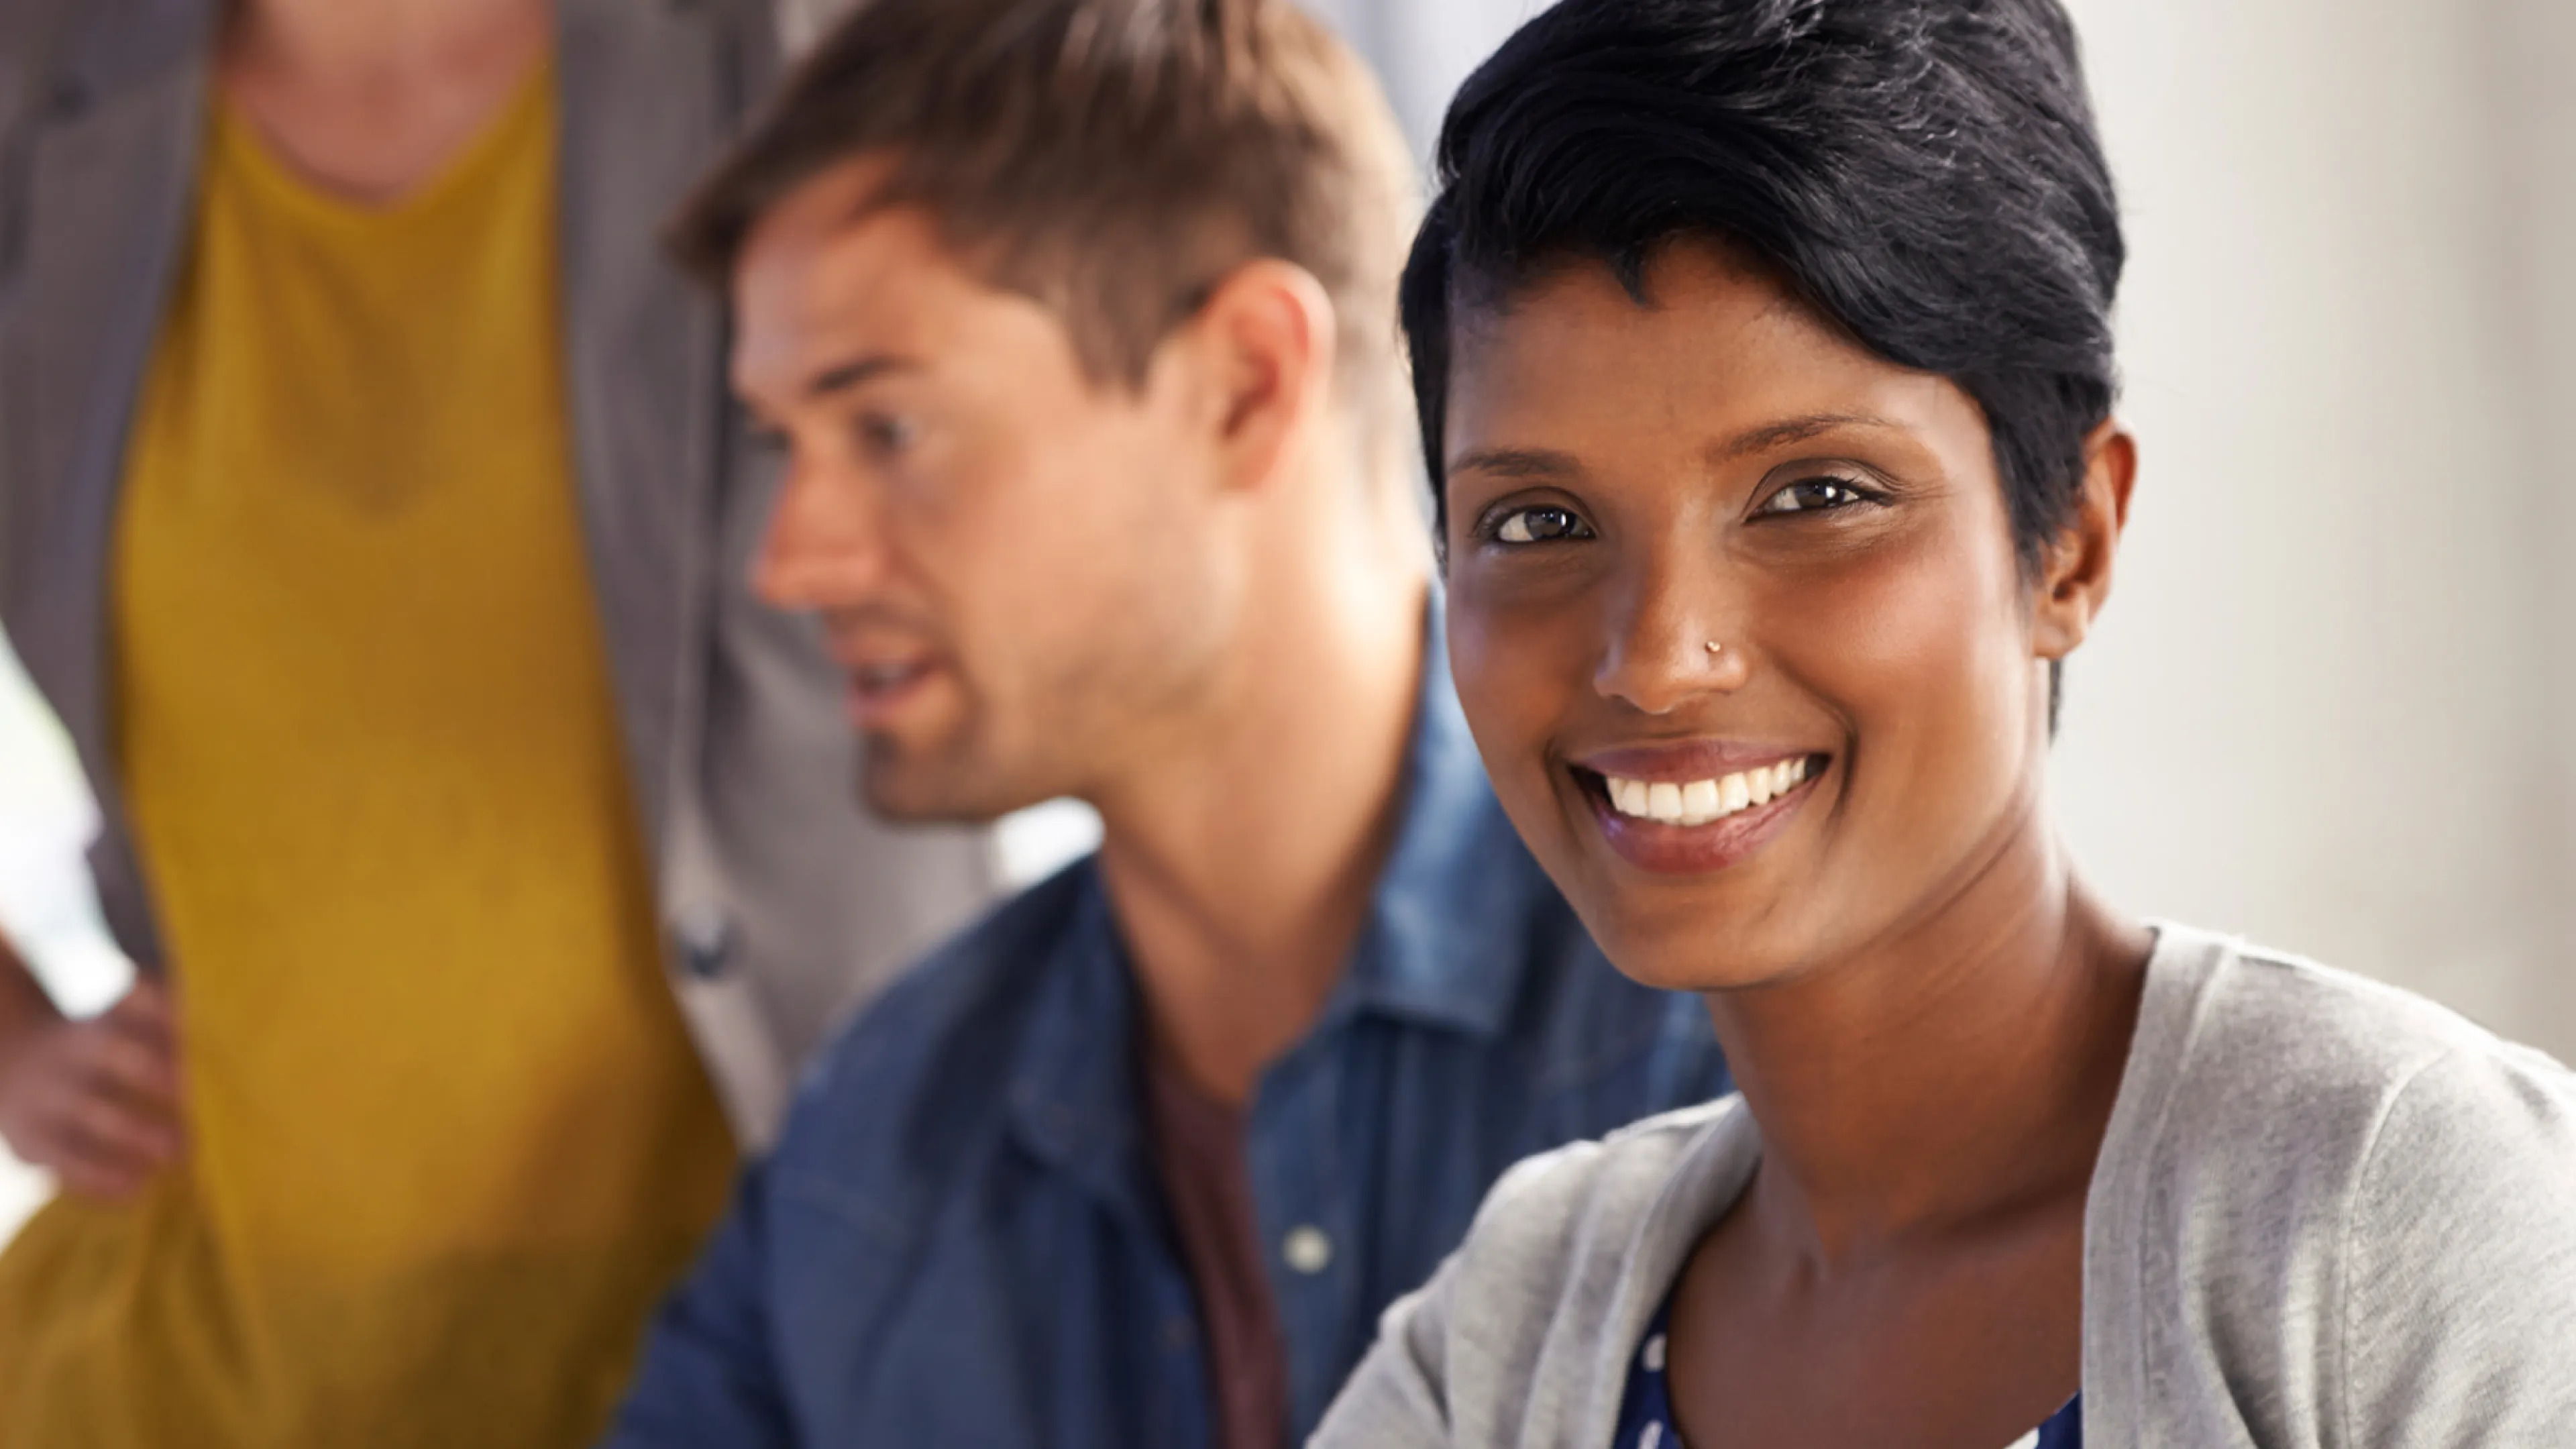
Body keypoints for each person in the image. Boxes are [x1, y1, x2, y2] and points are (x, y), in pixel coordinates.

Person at [1310, 0, 2576, 1445]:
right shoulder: (1511, 1334)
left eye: (1816, 497)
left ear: (2072, 545)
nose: (1657, 660)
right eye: (1536, 520)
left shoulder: (2400, 1212)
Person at [601, 1, 1733, 1444]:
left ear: (1245, 383)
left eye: (885, 428)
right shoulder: (879, 1143)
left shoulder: (1725, 1041)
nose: (790, 562)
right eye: (783, 447)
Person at [0, 0, 997, 1442]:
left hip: (808, 1348)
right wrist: (15, 1038)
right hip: (198, 1363)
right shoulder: (47, 82)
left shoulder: (803, 49)